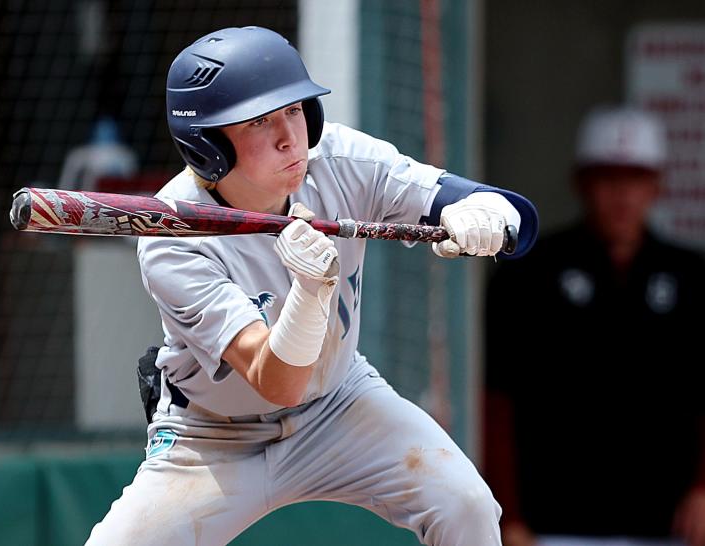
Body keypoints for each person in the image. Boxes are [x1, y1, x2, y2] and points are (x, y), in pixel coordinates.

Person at [86, 26, 538, 546]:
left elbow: (490, 209)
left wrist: (486, 214)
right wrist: (309, 292)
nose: (288, 137)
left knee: (467, 505)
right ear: (207, 144)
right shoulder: (173, 237)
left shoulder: (340, 161)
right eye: (259, 121)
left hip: (339, 403)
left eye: (295, 110)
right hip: (215, 438)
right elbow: (275, 379)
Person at [483, 106, 705, 546]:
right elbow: (495, 398)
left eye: (637, 180)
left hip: (664, 524)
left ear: (657, 186)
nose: (623, 195)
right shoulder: (531, 270)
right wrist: (505, 511)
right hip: (552, 524)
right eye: (608, 179)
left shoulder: (688, 273)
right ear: (582, 184)